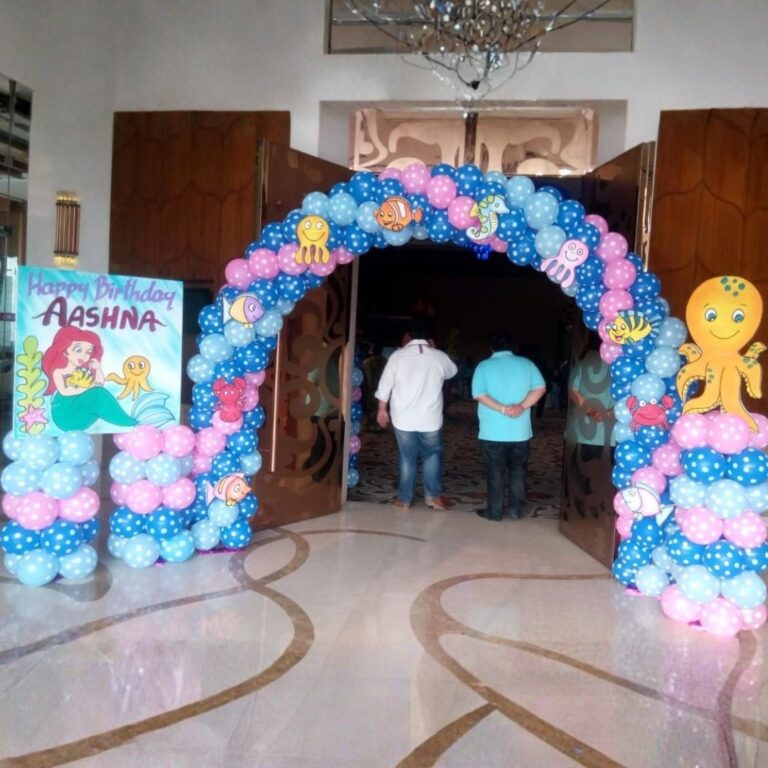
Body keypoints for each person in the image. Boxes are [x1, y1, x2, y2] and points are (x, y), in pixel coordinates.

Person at [375, 314, 457, 510]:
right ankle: (433, 497)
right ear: (431, 336)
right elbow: (452, 372)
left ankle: (404, 498)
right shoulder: (439, 357)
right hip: (430, 418)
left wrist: (381, 410)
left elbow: (384, 386)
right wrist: (435, 349)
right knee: (432, 455)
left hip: (403, 418)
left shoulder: (397, 356)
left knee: (407, 456)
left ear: (408, 334)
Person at [472, 329, 546, 522]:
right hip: (519, 431)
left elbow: (479, 394)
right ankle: (515, 510)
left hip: (492, 431)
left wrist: (503, 409)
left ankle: (494, 512)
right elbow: (540, 388)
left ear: (491, 346)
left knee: (495, 472)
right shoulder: (527, 364)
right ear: (511, 346)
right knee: (518, 470)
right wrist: (521, 406)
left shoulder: (484, 366)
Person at [41, 325, 137, 431]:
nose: (84, 356)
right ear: (64, 350)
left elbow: (99, 385)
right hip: (65, 415)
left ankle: (129, 422)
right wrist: (89, 388)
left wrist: (98, 368)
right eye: (78, 350)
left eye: (88, 352)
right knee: (98, 394)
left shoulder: (83, 371)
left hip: (80, 412)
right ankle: (129, 422)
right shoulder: (59, 371)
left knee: (99, 394)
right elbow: (65, 391)